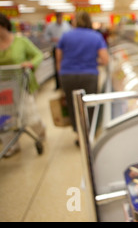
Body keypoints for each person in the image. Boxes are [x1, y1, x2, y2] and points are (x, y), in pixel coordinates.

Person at [56, 11, 109, 145]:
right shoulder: (96, 36)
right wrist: (92, 61)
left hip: (67, 75)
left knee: (72, 104)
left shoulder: (66, 36)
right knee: (89, 105)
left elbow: (58, 57)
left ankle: (78, 133)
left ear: (75, 21)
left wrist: (61, 72)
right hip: (89, 75)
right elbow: (105, 59)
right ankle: (88, 133)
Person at [0, 13, 45, 157]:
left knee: (29, 113)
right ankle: (10, 145)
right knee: (5, 116)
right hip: (3, 88)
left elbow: (38, 55)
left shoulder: (21, 42)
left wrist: (30, 64)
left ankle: (40, 131)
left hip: (21, 85)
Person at [44, 12, 71, 89]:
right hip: (56, 47)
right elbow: (46, 36)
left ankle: (65, 83)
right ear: (56, 17)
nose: (60, 19)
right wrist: (52, 39)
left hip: (65, 48)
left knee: (65, 65)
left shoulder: (66, 25)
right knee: (57, 66)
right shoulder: (50, 26)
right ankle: (58, 85)